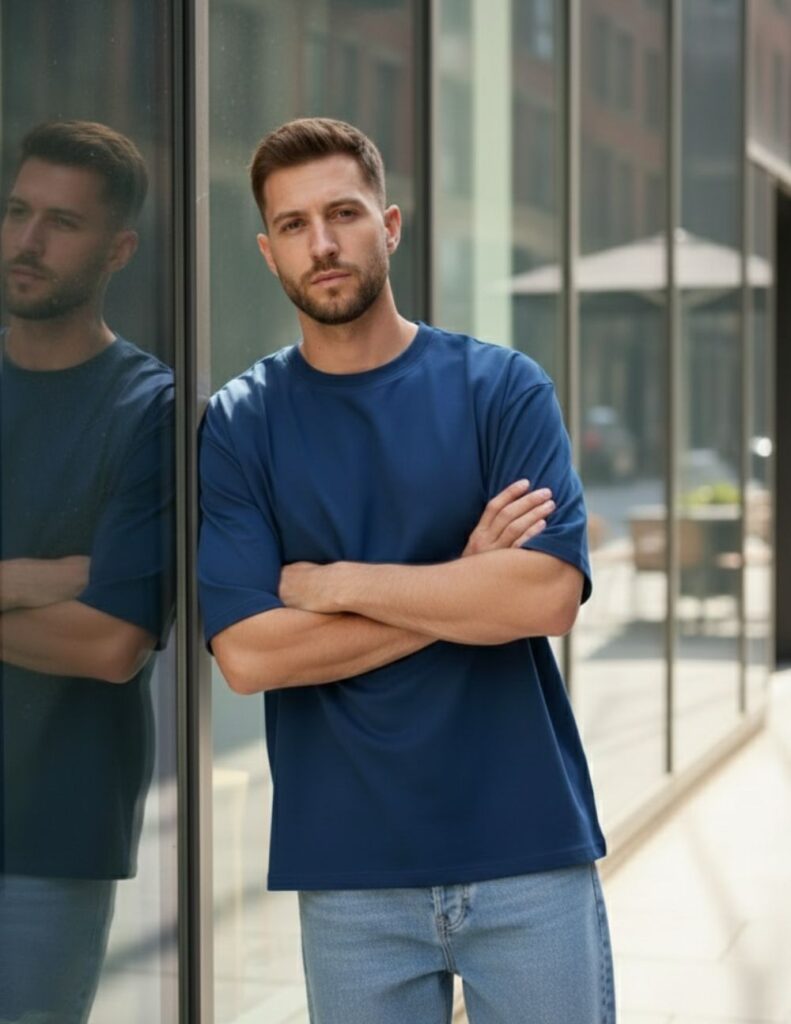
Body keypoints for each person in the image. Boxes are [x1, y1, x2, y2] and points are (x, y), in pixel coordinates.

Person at [198, 117, 614, 1024]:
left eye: (343, 213)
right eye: (296, 225)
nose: (324, 242)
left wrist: (331, 583)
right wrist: (462, 579)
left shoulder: (500, 388)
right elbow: (249, 657)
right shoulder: (240, 424)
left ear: (388, 226)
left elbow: (542, 594)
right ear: (268, 253)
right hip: (349, 870)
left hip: (525, 845)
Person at [0, 120, 174, 1024]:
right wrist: (33, 581)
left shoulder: (151, 412)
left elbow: (110, 643)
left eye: (60, 223)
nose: (27, 242)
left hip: (50, 835)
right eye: (18, 211)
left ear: (119, 249)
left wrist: (80, 600)